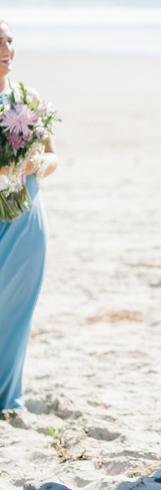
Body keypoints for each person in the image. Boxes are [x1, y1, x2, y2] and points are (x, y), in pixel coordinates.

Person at [0, 21, 58, 411]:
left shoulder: (27, 98)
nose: (7, 47)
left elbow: (54, 156)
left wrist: (37, 161)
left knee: (16, 310)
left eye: (9, 39)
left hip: (26, 217)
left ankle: (7, 397)